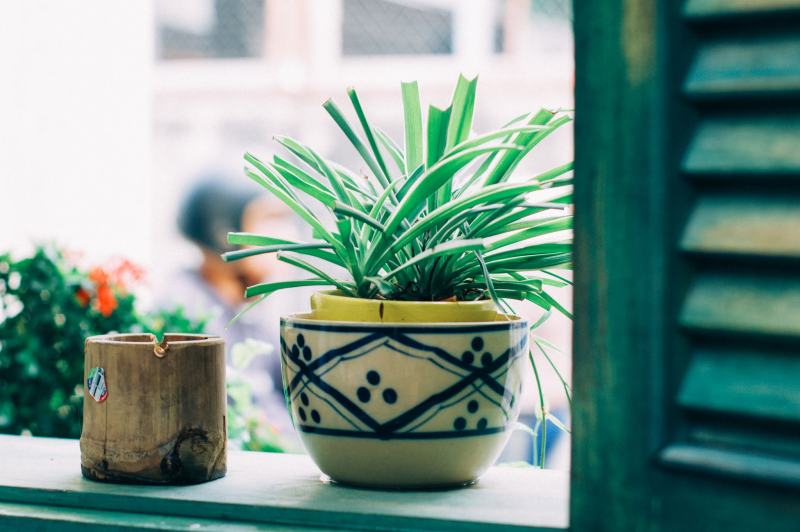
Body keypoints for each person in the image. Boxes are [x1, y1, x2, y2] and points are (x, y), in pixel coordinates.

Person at [161, 176, 303, 435]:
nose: (286, 235)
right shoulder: (190, 310)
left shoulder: (250, 307)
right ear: (223, 232)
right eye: (268, 221)